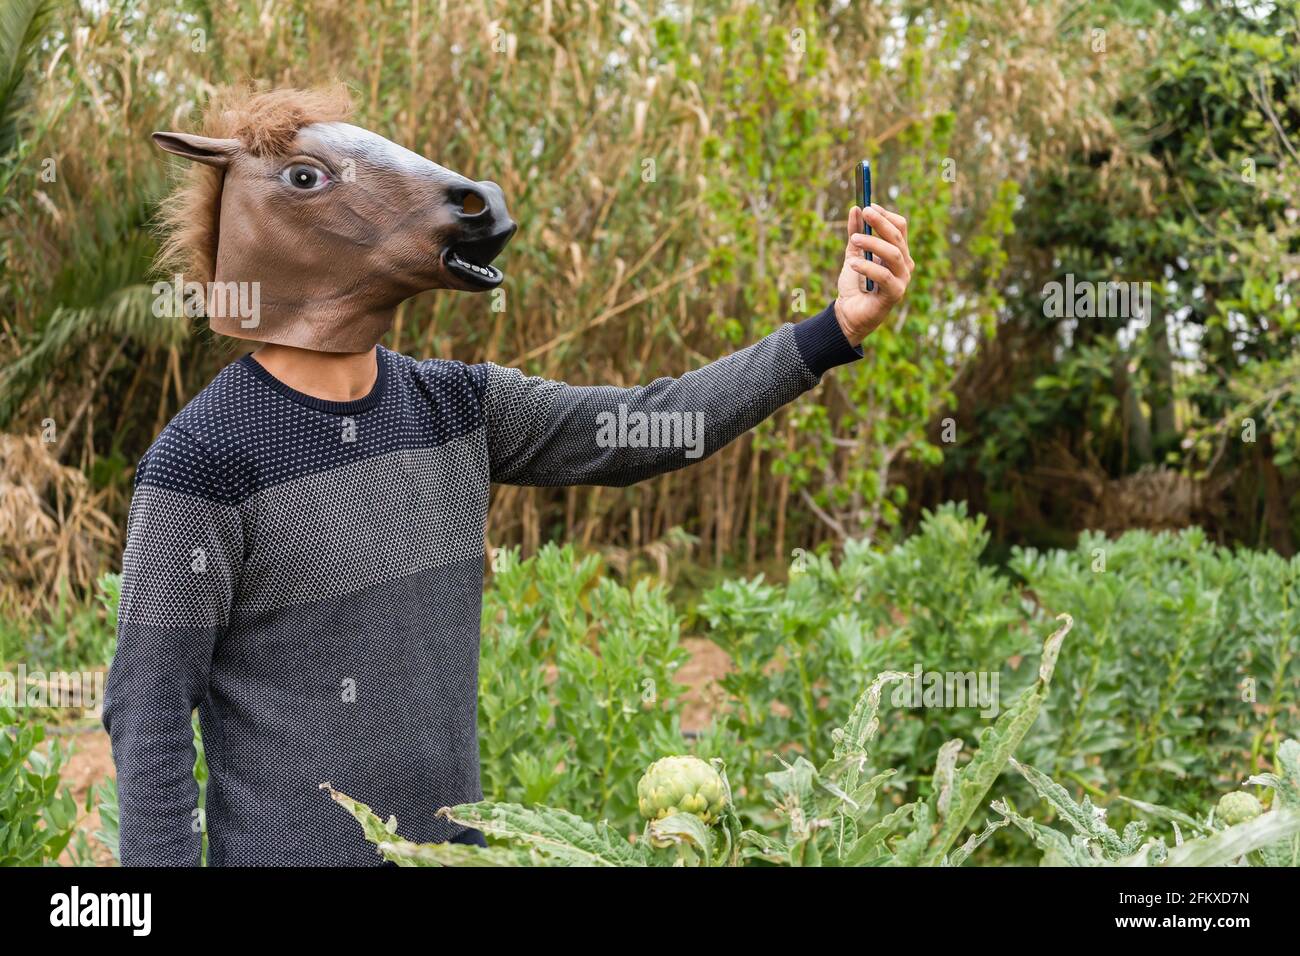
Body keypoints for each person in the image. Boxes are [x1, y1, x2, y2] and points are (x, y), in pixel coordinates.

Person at [103, 86, 915, 866]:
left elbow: (657, 427)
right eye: (311, 181)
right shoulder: (201, 463)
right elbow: (149, 715)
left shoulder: (459, 407)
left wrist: (834, 329)